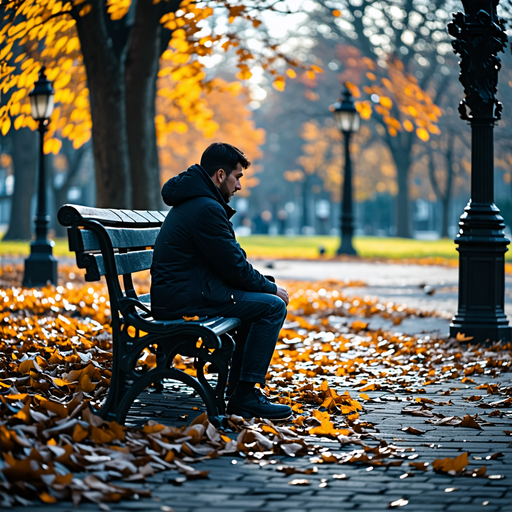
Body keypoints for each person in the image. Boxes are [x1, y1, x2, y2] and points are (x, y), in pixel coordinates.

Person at [150, 142, 292, 420]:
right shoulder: (206, 208)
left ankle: (241, 391)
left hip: (185, 292)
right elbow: (235, 268)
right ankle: (246, 394)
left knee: (266, 297)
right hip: (185, 301)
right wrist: (272, 288)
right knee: (272, 306)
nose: (238, 186)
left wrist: (266, 283)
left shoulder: (200, 202)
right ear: (219, 175)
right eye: (237, 177)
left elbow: (230, 263)